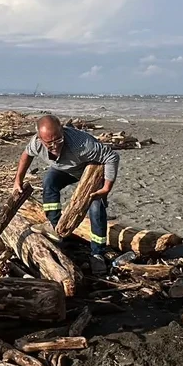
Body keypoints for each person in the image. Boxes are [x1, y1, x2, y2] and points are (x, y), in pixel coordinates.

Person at [13, 115, 120, 274]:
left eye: (58, 139)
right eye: (49, 143)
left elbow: (111, 156)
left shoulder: (82, 144)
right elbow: (26, 155)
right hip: (66, 169)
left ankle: (97, 253)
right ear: (40, 139)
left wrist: (106, 188)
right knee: (49, 181)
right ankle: (56, 227)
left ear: (62, 131)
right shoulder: (36, 143)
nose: (54, 145)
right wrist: (18, 180)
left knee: (95, 207)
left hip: (91, 171)